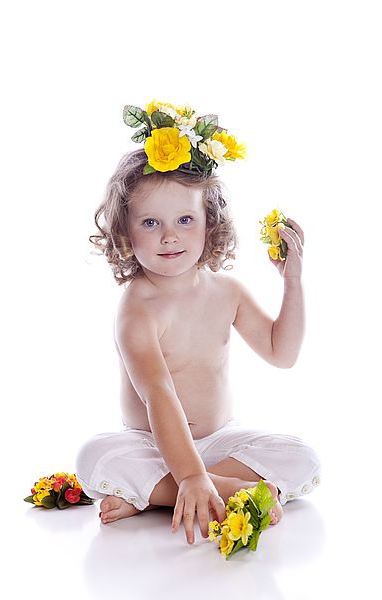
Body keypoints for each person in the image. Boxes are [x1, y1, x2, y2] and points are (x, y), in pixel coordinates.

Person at [75, 103, 320, 545]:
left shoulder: (227, 292)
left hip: (219, 440)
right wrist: (186, 472)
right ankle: (209, 489)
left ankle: (160, 495)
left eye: (185, 220)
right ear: (126, 234)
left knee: (302, 456)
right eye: (151, 223)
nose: (169, 235)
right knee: (96, 455)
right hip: (151, 444)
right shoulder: (138, 309)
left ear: (211, 224)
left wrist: (293, 282)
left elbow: (281, 354)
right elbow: (158, 393)